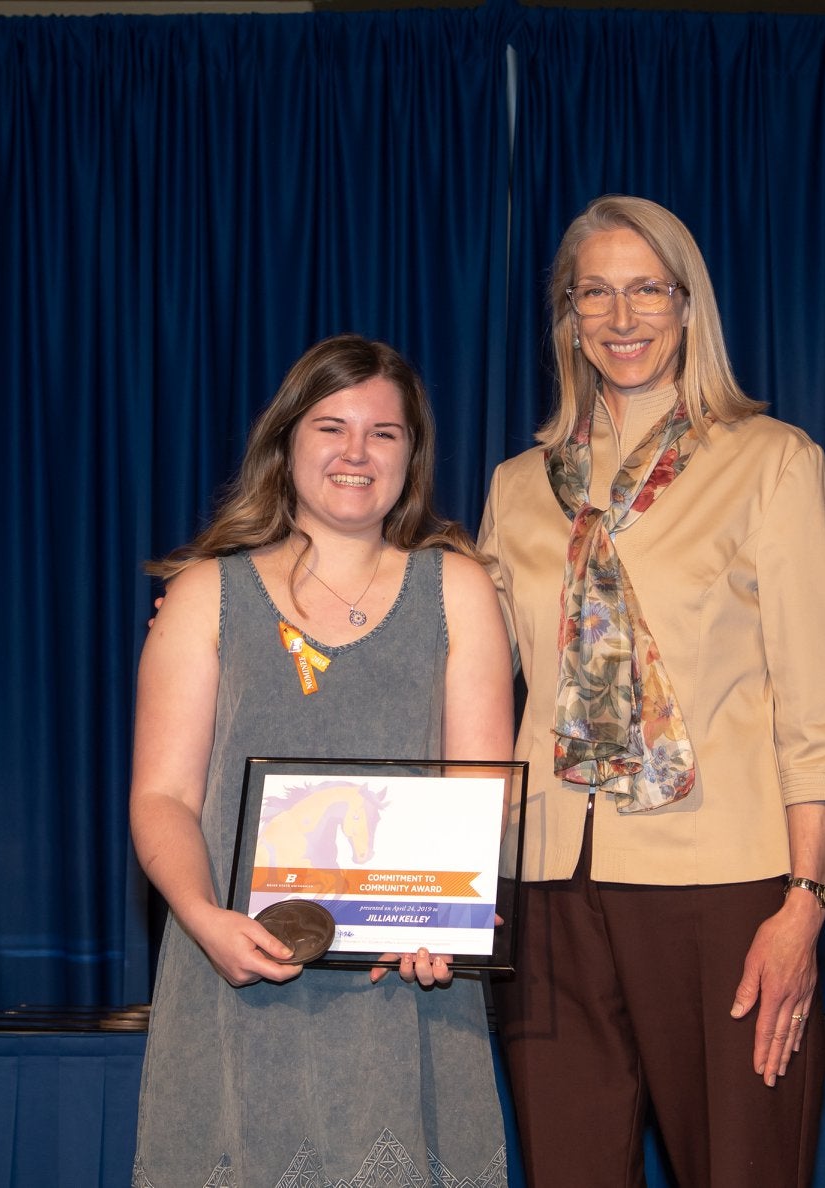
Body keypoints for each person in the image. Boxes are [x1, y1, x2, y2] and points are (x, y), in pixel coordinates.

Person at [477, 195, 825, 1187]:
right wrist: (269, 618)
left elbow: (814, 699)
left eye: (645, 288)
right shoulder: (516, 485)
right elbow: (453, 660)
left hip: (723, 886)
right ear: (566, 315)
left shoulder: (770, 461)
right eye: (593, 292)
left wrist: (802, 901)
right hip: (548, 888)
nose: (620, 316)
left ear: (688, 306)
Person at [130, 334, 514, 1187]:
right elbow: (161, 796)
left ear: (411, 455)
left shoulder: (458, 590)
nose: (355, 453)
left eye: (384, 432)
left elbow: (482, 790)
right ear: (285, 443)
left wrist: (447, 920)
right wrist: (202, 917)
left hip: (408, 990)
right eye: (330, 426)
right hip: (236, 976)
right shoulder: (203, 595)